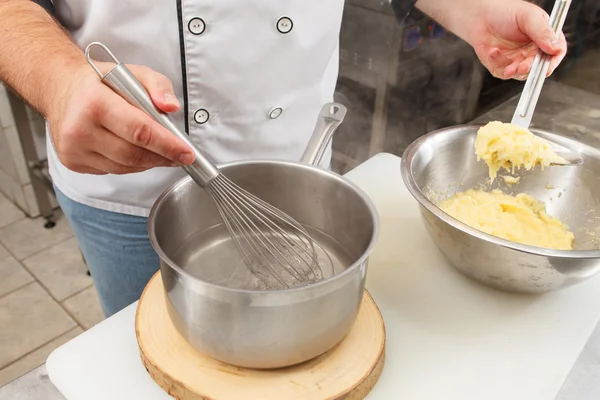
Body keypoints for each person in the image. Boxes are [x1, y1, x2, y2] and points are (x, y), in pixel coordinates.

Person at [0, 0, 567, 317]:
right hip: (124, 174)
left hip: (295, 147)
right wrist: (57, 79)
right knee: (148, 358)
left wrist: (471, 9)